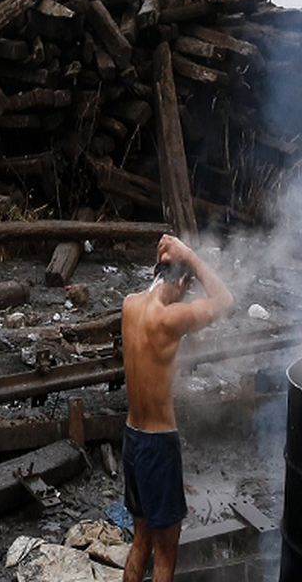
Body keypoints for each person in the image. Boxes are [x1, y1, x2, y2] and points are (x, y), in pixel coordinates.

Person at [120, 234, 235, 582]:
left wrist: (172, 258)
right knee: (166, 556)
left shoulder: (129, 305)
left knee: (140, 542)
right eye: (186, 286)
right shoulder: (169, 320)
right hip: (158, 446)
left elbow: (158, 284)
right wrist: (190, 256)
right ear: (183, 281)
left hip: (132, 441)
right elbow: (225, 301)